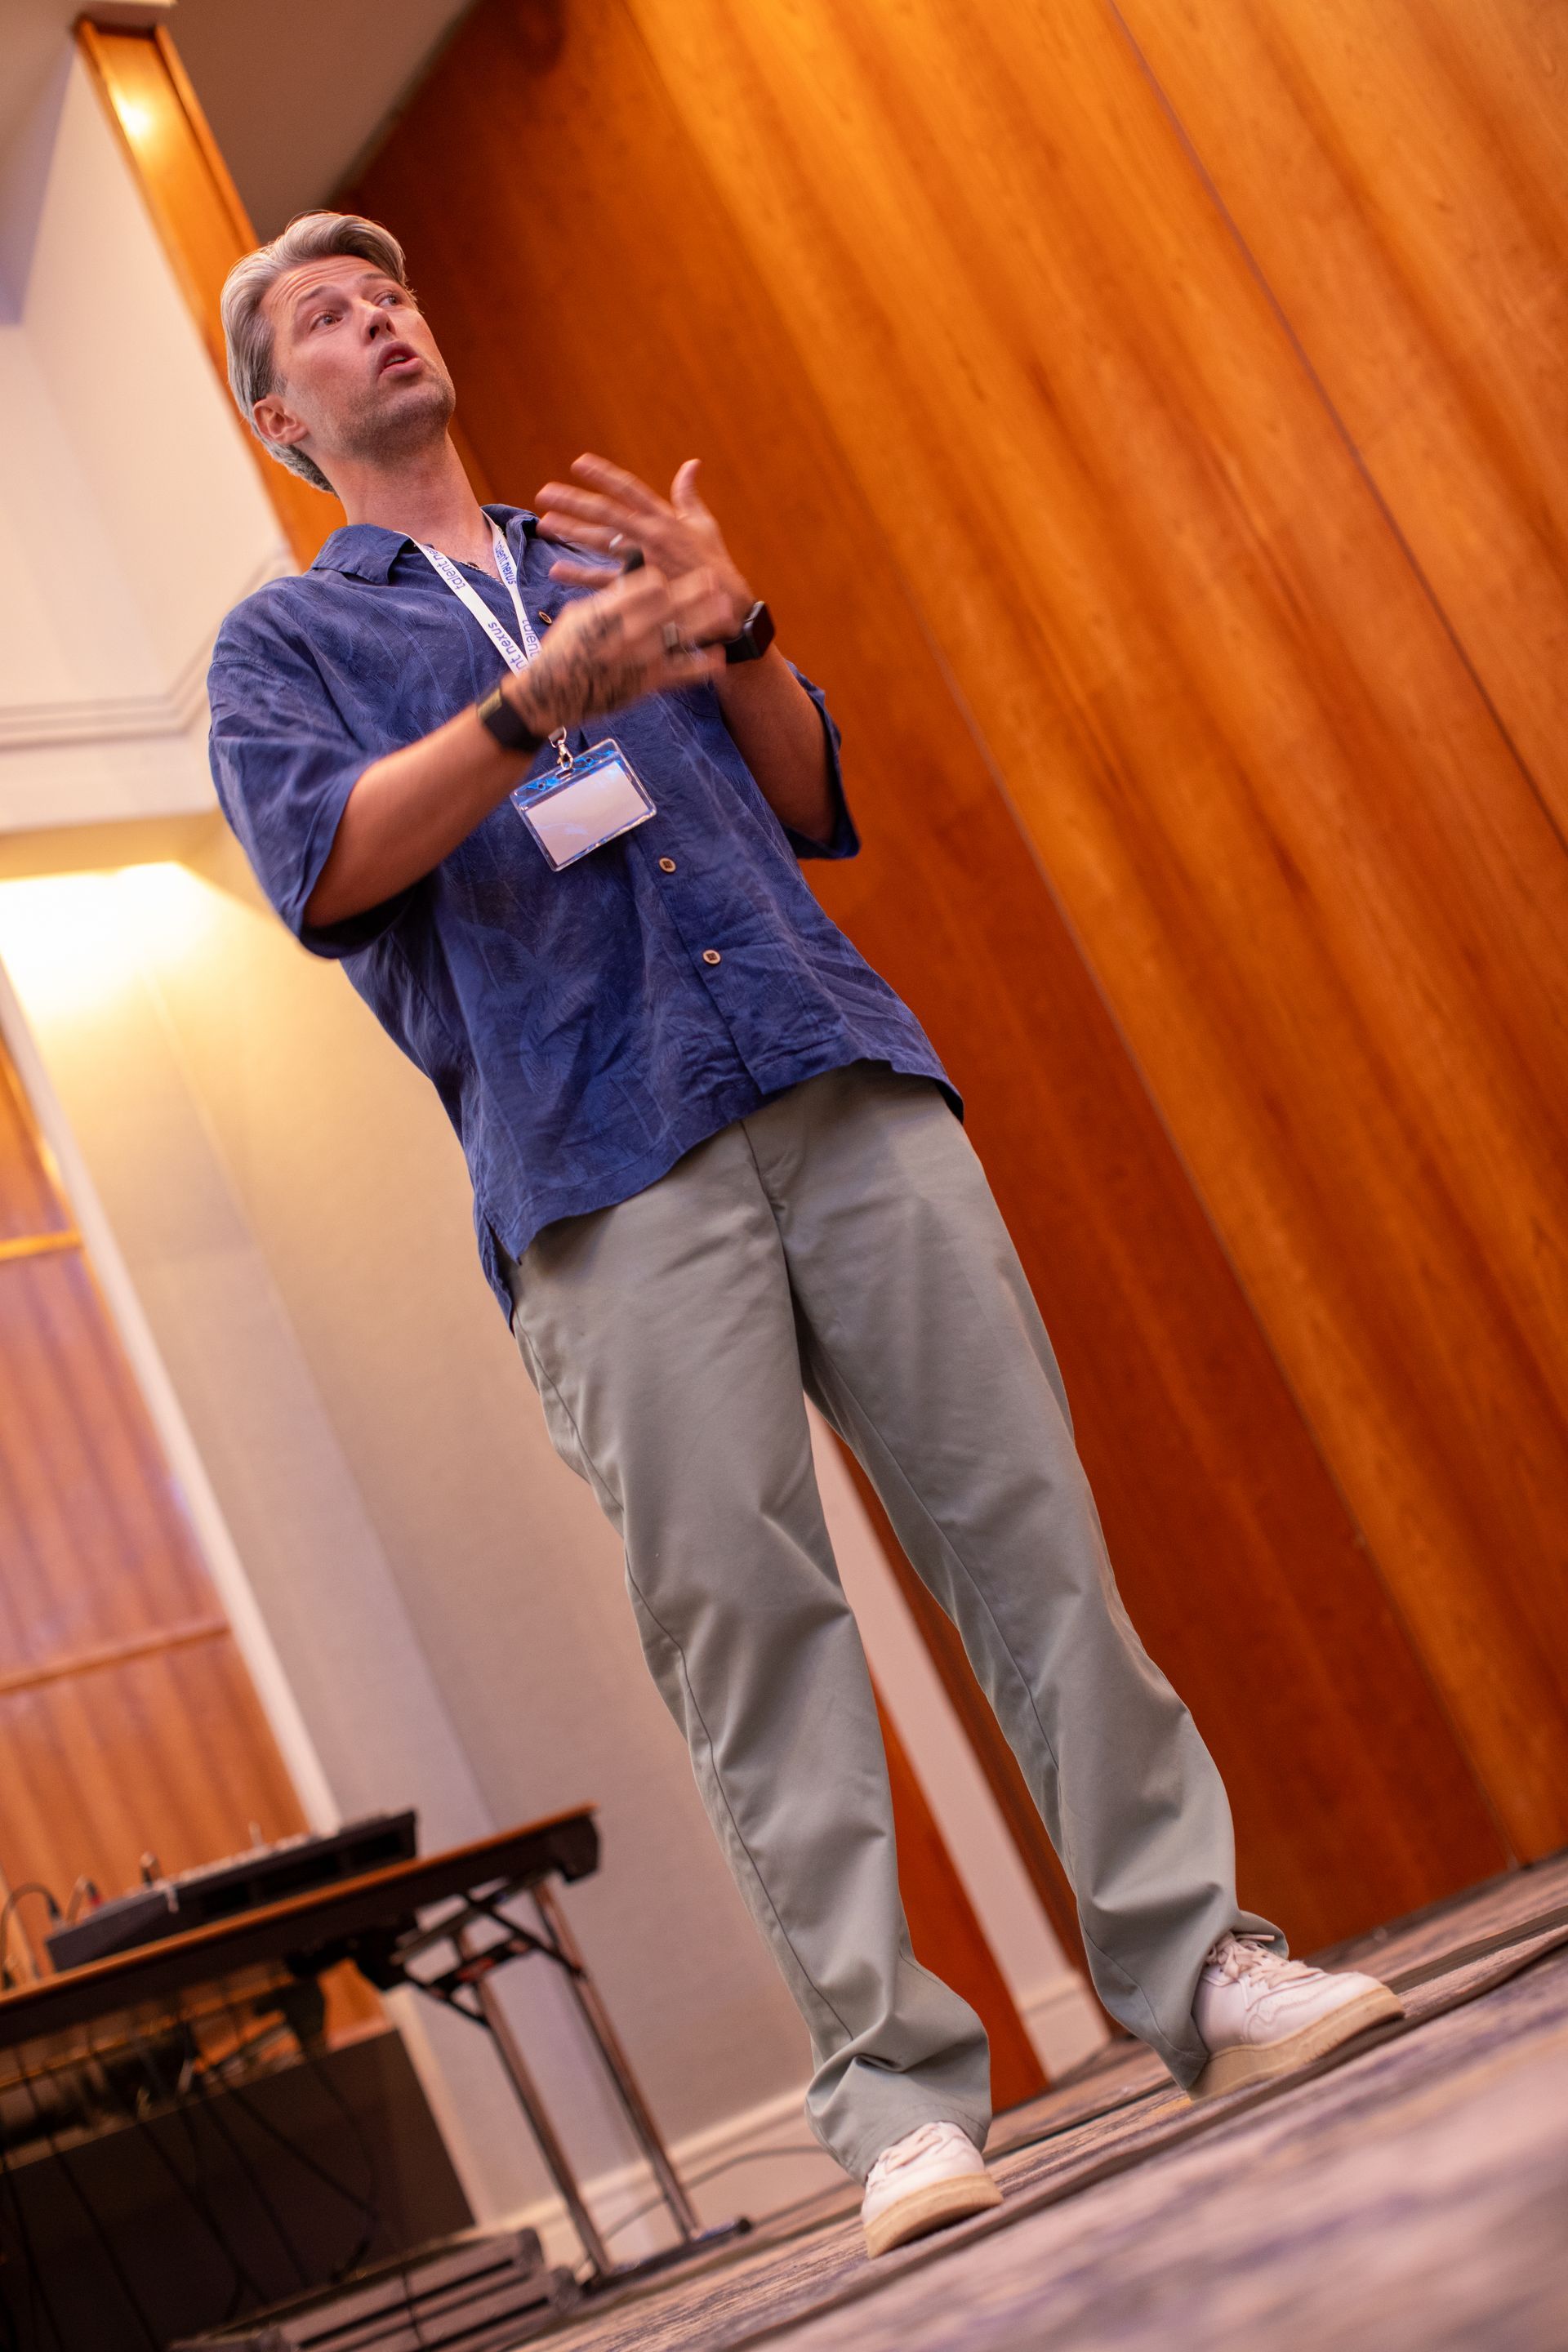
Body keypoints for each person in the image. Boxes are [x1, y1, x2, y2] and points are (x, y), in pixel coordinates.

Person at [209, 211, 1401, 2260]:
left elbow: (812, 785)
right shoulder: (286, 648)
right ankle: (897, 2101)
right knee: (749, 1631)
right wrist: (527, 710)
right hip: (599, 1163)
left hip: (835, 1073)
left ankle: (1199, 1963)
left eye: (391, 288)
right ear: (278, 414)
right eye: (326, 315)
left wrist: (735, 624)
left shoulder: (604, 547)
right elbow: (324, 871)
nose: (379, 315)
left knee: (1028, 1534)